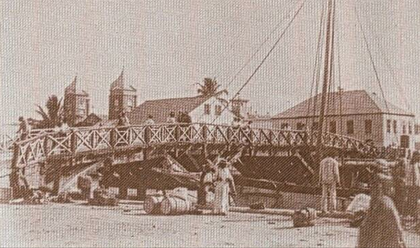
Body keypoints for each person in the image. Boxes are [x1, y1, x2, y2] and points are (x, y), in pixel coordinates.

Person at [357, 160, 406, 248]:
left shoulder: (377, 178)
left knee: (369, 232)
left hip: (380, 205)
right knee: (394, 231)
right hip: (388, 204)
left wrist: (371, 210)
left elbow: (376, 195)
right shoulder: (390, 178)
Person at [403, 151, 420, 223]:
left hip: (411, 185)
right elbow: (415, 176)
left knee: (411, 199)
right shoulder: (413, 164)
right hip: (414, 185)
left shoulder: (410, 163)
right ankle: (412, 215)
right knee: (413, 200)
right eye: (418, 156)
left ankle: (411, 214)